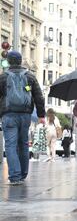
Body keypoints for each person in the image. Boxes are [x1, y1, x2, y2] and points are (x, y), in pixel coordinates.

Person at [0, 51, 45, 185]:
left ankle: (15, 176)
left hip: (8, 115)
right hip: (25, 115)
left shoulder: (3, 77)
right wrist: (41, 115)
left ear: (8, 61)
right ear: (20, 61)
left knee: (10, 145)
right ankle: (23, 174)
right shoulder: (30, 76)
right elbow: (39, 96)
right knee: (24, 144)